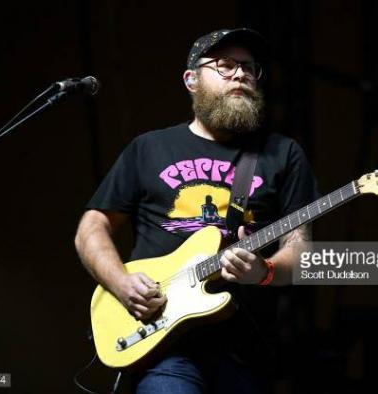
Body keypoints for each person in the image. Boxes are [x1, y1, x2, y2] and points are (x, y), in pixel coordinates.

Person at [74, 28, 319, 393]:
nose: (240, 74)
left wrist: (264, 270)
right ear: (191, 80)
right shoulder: (149, 148)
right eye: (225, 65)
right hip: (163, 344)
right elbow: (91, 227)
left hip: (247, 348)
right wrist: (121, 283)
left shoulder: (282, 153)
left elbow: (301, 253)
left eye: (249, 68)